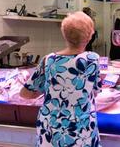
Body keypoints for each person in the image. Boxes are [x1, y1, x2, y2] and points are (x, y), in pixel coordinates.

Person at [20, 11, 102, 147]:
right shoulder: (92, 59)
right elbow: (96, 90)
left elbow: (25, 94)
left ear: (64, 35)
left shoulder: (49, 60)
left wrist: (46, 90)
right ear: (89, 37)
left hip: (50, 129)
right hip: (81, 129)